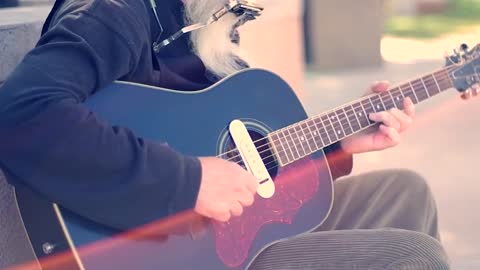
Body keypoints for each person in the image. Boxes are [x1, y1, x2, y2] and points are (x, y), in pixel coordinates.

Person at [0, 0, 451, 269]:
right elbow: (22, 114)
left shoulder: (203, 23)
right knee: (412, 255)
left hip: (230, 236)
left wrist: (339, 145)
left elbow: (242, 159)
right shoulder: (114, 12)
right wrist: (189, 182)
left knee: (405, 191)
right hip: (171, 254)